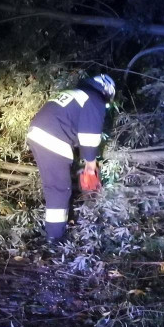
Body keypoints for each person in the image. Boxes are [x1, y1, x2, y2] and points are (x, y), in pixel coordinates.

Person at [27, 74, 115, 242]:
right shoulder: (95, 99)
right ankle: (55, 238)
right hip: (52, 137)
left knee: (54, 185)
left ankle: (54, 233)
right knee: (59, 189)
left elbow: (72, 125)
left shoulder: (77, 93)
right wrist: (90, 165)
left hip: (38, 132)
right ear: (107, 92)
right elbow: (89, 135)